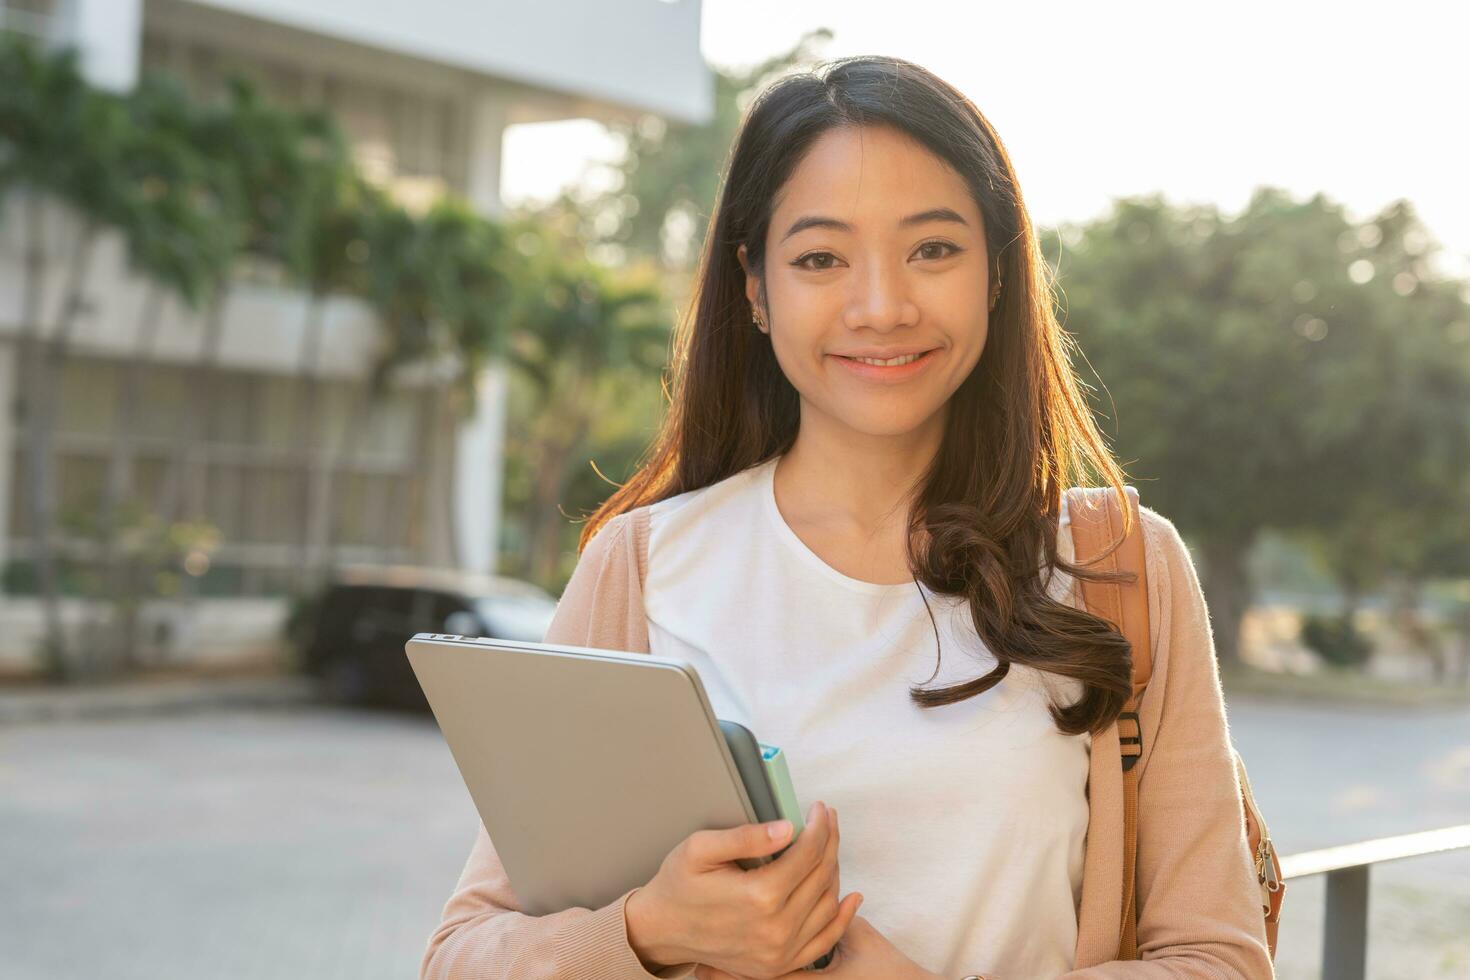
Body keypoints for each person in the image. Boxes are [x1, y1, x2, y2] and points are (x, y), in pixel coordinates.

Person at [420, 55, 1273, 980]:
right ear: (754, 287)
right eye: (821, 258)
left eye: (933, 249)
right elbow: (461, 955)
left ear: (996, 270)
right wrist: (648, 931)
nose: (881, 306)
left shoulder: (1118, 564)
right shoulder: (643, 568)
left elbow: (1217, 961)